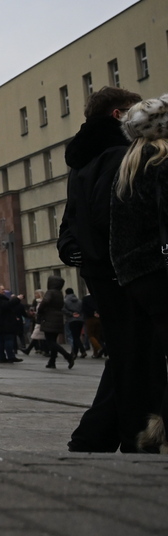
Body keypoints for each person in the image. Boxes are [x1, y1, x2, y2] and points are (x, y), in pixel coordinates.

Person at [58, 86, 163, 453]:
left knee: (126, 353)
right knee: (138, 355)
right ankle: (135, 439)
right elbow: (116, 218)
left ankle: (94, 437)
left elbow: (70, 225)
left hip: (102, 270)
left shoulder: (82, 160)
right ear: (119, 116)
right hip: (128, 268)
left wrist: (80, 255)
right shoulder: (123, 155)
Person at [109, 93, 168, 452]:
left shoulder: (129, 164)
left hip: (137, 273)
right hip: (162, 265)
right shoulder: (162, 160)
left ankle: (157, 430)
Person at [36, 276, 75, 369]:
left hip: (49, 317)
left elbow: (45, 301)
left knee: (50, 342)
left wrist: (40, 311)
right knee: (53, 340)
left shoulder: (50, 292)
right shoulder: (59, 293)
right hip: (58, 318)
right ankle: (52, 361)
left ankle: (68, 356)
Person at [63, 287, 87, 358]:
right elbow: (83, 309)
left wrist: (71, 314)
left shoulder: (65, 301)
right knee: (77, 336)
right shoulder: (79, 301)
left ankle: (83, 350)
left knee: (75, 337)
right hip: (80, 320)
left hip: (72, 320)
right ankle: (75, 352)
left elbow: (63, 309)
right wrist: (80, 315)